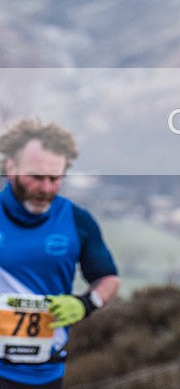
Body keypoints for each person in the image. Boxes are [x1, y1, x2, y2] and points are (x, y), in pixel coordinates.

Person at [0, 118, 120, 389]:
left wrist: (86, 303)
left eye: (55, 178)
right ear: (11, 168)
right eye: (36, 177)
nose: (46, 188)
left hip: (47, 373)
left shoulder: (77, 221)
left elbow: (108, 279)